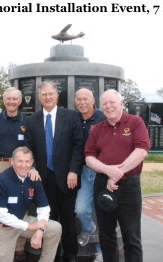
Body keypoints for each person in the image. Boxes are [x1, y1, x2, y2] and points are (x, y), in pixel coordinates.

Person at [85, 89, 151, 262]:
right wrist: (108, 172)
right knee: (106, 235)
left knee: (132, 236)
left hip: (129, 187)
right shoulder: (97, 129)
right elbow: (89, 157)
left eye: (112, 102)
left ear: (121, 103)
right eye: (104, 103)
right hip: (103, 185)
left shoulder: (135, 122)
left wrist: (116, 173)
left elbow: (142, 150)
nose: (108, 106)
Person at [25, 81, 84, 262]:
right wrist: (32, 168)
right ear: (39, 97)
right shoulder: (32, 120)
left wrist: (74, 170)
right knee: (48, 219)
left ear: (57, 95)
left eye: (51, 94)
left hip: (67, 178)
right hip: (43, 178)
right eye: (44, 94)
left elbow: (78, 145)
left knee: (67, 217)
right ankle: (53, 255)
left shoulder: (71, 117)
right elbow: (28, 148)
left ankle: (70, 254)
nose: (48, 97)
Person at [0, 146, 62, 262]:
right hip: (2, 228)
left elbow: (44, 208)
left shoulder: (33, 179)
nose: (23, 165)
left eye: (27, 162)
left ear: (32, 163)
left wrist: (40, 231)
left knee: (55, 228)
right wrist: (30, 226)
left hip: (22, 222)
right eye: (20, 161)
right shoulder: (1, 180)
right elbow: (1, 215)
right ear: (12, 161)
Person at [74, 88, 105, 262]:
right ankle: (89, 230)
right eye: (79, 99)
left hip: (103, 170)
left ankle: (101, 250)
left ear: (93, 100)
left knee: (103, 211)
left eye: (85, 98)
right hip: (85, 171)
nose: (82, 102)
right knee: (81, 209)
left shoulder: (103, 117)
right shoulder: (74, 118)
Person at [0, 87, 28, 186]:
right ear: (4, 101)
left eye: (15, 99)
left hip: (22, 166)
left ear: (20, 102)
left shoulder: (27, 121)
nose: (11, 102)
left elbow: (32, 147)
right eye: (8, 98)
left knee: (21, 199)